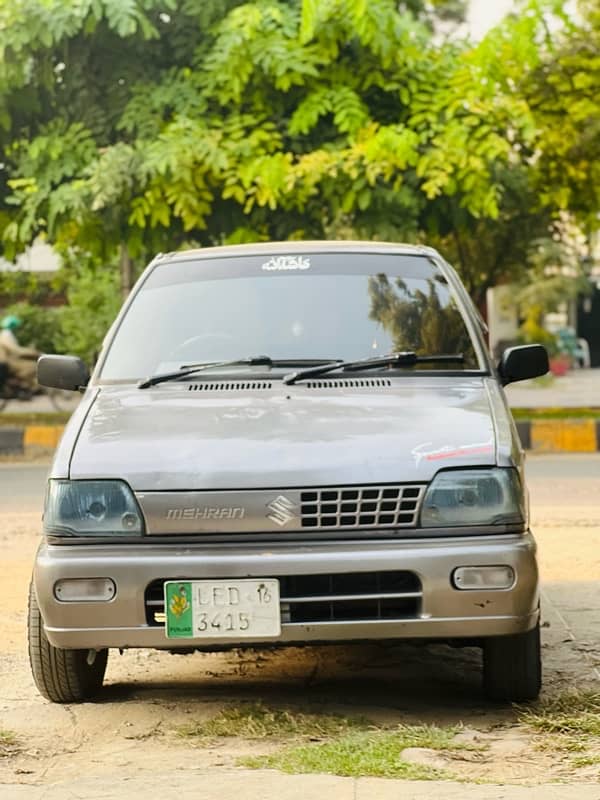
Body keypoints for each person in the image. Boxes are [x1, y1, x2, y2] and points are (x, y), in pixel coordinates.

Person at [0, 315, 39, 392]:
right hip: (6, 362)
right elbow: (16, 350)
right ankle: (24, 386)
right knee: (33, 367)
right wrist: (33, 352)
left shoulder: (6, 334)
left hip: (7, 361)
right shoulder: (6, 335)